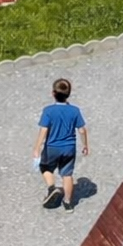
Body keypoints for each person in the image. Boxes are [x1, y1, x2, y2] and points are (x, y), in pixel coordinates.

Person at [34, 77, 89, 212]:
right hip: (69, 148)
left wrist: (37, 147)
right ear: (69, 93)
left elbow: (44, 129)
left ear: (53, 93)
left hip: (52, 147)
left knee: (45, 167)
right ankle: (68, 203)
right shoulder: (75, 111)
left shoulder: (48, 110)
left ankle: (52, 188)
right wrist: (85, 145)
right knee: (67, 174)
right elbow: (82, 130)